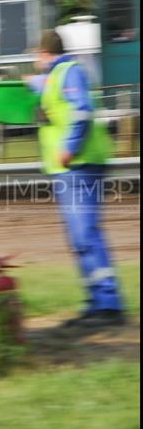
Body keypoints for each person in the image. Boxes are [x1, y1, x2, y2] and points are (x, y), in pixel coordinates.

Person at [24, 30, 125, 328]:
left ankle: (109, 304)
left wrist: (69, 148)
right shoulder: (55, 76)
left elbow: (81, 113)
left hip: (80, 164)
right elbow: (43, 89)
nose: (34, 61)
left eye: (36, 56)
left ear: (44, 53)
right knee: (79, 238)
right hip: (68, 169)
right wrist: (28, 83)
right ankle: (97, 302)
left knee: (85, 234)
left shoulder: (69, 72)